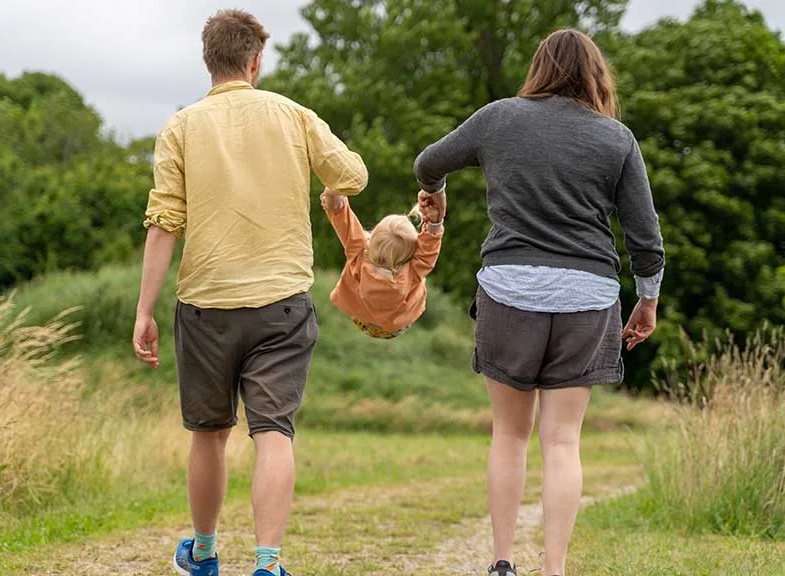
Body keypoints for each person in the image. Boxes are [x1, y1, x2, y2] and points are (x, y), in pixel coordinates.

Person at [414, 29, 665, 576]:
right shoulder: (616, 139)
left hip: (509, 291)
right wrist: (646, 301)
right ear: (596, 77)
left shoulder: (498, 118)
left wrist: (436, 195)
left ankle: (501, 563)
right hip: (588, 297)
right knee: (562, 441)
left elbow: (427, 163)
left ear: (539, 68)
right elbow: (645, 238)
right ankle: (553, 569)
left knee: (509, 434)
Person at [131, 9, 368, 576]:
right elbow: (353, 175)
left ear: (209, 61)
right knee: (272, 432)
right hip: (282, 303)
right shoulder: (293, 116)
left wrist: (144, 311)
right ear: (255, 61)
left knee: (209, 434)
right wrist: (328, 190)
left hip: (205, 305)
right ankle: (267, 564)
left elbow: (164, 222)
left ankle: (205, 553)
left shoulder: (180, 126)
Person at [320, 188, 445, 339]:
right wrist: (434, 222)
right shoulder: (412, 272)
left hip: (361, 317)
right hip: (395, 325)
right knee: (419, 278)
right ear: (410, 256)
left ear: (372, 239)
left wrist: (334, 192)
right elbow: (428, 251)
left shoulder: (359, 251)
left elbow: (341, 216)